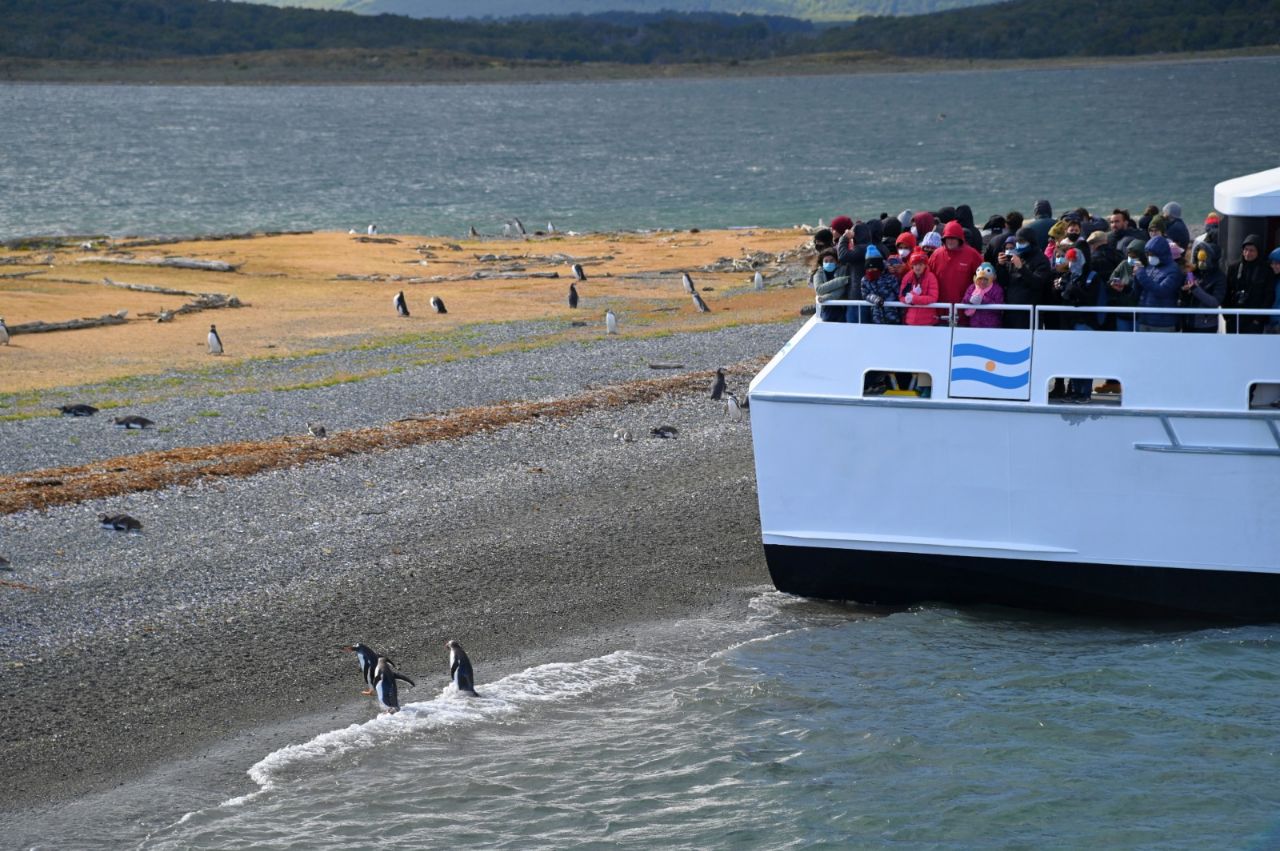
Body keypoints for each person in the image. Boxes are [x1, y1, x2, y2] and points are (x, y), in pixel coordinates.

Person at [928, 220, 985, 322]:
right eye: (947, 238)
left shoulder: (972, 255)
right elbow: (927, 279)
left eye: (953, 238)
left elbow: (985, 279)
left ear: (960, 239)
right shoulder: (936, 255)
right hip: (940, 312)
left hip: (965, 312)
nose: (950, 241)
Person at [1001, 227, 1050, 329]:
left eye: (1022, 241)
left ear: (1031, 241)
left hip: (1029, 314)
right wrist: (1000, 266)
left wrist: (1022, 268)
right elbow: (1005, 282)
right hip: (1011, 311)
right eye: (1017, 241)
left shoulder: (1042, 260)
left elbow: (1038, 283)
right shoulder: (1016, 257)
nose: (1019, 244)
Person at [1133, 236, 1182, 332]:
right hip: (1145, 318)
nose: (1150, 257)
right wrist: (1136, 278)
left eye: (1152, 254)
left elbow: (1161, 291)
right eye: (1148, 254)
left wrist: (1140, 274)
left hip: (1163, 323)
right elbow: (1142, 289)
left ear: (1161, 253)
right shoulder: (1151, 266)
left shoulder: (1174, 270)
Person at [1226, 234, 1273, 334]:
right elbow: (1226, 292)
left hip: (1254, 320)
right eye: (1245, 250)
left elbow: (1269, 296)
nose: (1247, 253)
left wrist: (1258, 320)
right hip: (1234, 317)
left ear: (1258, 251)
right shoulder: (1233, 268)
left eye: (1252, 250)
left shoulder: (1266, 270)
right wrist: (1227, 316)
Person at [1181, 242, 1226, 333]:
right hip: (1188, 322)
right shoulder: (1192, 273)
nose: (1201, 263)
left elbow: (1215, 302)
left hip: (1206, 325)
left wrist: (1195, 288)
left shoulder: (1219, 277)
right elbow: (1185, 292)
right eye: (1199, 259)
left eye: (1204, 259)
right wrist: (1183, 290)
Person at [1106, 240, 1145, 333]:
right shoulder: (1124, 264)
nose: (1131, 258)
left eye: (1134, 256)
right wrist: (1114, 284)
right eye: (1129, 255)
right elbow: (1112, 278)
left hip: (1139, 313)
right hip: (1123, 311)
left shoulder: (1147, 268)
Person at [857, 247, 901, 326]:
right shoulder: (865, 280)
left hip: (893, 316)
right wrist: (874, 298)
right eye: (869, 269)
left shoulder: (890, 277)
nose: (871, 271)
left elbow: (899, 293)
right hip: (876, 318)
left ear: (879, 267)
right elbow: (865, 294)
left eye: (874, 268)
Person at [899, 250, 939, 326]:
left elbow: (933, 298)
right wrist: (909, 298)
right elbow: (902, 297)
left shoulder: (931, 277)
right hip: (910, 320)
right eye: (915, 264)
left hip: (928, 321)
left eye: (920, 264)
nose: (918, 267)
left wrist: (914, 298)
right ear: (912, 265)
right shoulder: (907, 277)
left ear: (925, 265)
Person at [811, 248, 850, 322]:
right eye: (826, 261)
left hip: (842, 308)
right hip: (827, 309)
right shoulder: (818, 274)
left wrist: (826, 297)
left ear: (836, 261)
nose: (829, 263)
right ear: (822, 262)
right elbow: (819, 290)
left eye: (832, 260)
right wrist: (841, 280)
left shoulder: (843, 270)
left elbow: (842, 290)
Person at [961, 263, 1004, 328]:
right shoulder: (972, 287)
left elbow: (999, 308)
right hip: (974, 324)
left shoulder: (997, 289)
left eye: (986, 279)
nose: (982, 282)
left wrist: (983, 299)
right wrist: (970, 299)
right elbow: (964, 301)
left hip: (992, 325)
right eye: (980, 279)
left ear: (992, 278)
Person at [1268, 247, 1280, 334]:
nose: (1273, 266)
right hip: (1270, 323)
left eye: (1277, 263)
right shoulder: (1273, 279)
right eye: (1272, 263)